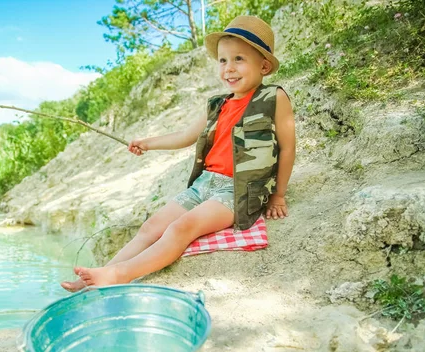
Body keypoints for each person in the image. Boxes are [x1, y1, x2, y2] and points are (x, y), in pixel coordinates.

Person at [61, 15, 295, 292]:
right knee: (151, 227)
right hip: (204, 184)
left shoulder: (272, 98)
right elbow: (185, 136)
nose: (228, 69)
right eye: (223, 60)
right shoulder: (217, 105)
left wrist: (278, 194)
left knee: (181, 228)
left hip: (239, 190)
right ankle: (99, 274)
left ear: (264, 65)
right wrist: (148, 142)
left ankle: (119, 274)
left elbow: (287, 146)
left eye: (239, 59)